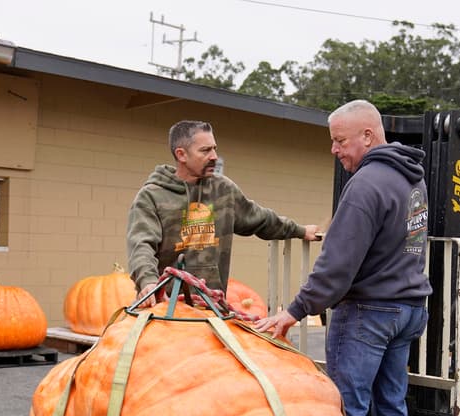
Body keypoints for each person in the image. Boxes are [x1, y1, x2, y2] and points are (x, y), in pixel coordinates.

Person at [254, 100, 432, 416]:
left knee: (348, 411)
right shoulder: (414, 179)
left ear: (368, 136)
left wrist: (295, 310)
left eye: (339, 140)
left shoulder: (365, 184)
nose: (334, 150)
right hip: (409, 309)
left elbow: (337, 264)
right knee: (391, 406)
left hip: (369, 313)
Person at [127, 120, 321, 306]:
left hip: (212, 306)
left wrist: (300, 230)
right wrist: (148, 282)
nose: (214, 156)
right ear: (181, 155)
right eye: (205, 150)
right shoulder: (151, 196)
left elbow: (261, 219)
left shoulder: (224, 190)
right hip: (165, 307)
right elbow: (141, 245)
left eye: (214, 148)